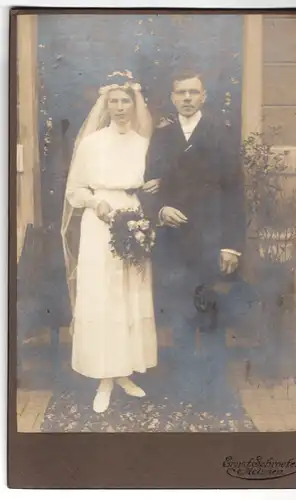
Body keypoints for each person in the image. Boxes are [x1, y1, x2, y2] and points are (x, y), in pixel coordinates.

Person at [142, 70, 246, 408]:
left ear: (204, 96)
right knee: (179, 313)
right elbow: (148, 186)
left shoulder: (221, 134)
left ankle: (216, 390)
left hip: (212, 237)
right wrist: (160, 210)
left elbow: (234, 192)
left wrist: (231, 244)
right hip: (174, 241)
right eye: (180, 93)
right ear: (172, 98)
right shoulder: (161, 138)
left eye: (193, 92)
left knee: (213, 310)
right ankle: (185, 388)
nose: (187, 98)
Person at [61, 71, 157, 414]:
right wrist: (94, 202)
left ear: (135, 104)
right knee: (104, 294)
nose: (119, 107)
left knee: (130, 293)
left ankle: (124, 372)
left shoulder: (143, 143)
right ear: (105, 103)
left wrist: (151, 191)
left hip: (133, 217)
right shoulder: (92, 143)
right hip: (100, 222)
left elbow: (150, 182)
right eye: (113, 101)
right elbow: (75, 189)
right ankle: (103, 377)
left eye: (125, 100)